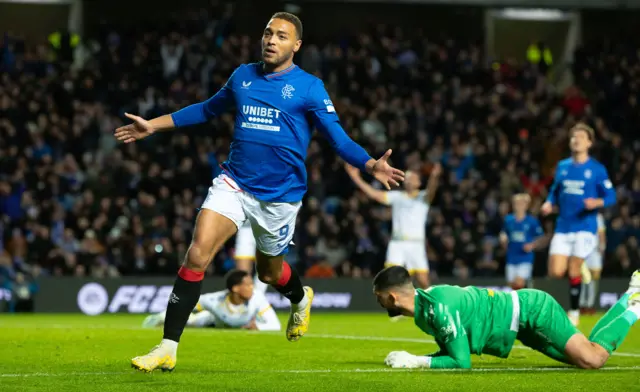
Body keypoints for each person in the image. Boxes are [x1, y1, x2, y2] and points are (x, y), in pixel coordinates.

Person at [116, 12, 404, 373]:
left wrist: (369, 164)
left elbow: (338, 138)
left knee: (269, 274)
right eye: (268, 33)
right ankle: (167, 347)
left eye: (281, 36)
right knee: (196, 255)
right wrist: (153, 126)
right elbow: (206, 109)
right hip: (234, 183)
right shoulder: (242, 75)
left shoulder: (310, 87)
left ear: (296, 45)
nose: (271, 40)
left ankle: (300, 299)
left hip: (280, 197)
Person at [374, 266, 640, 370]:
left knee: (592, 360)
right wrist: (419, 359)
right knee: (587, 358)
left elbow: (461, 362)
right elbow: (453, 350)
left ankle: (635, 306)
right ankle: (631, 295)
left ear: (393, 298)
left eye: (380, 297)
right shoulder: (425, 311)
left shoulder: (437, 307)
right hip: (520, 326)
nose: (379, 302)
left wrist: (415, 361)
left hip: (532, 311)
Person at [541, 123, 616, 326]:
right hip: (563, 227)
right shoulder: (563, 166)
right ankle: (580, 270)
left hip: (585, 227)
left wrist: (597, 202)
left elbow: (611, 196)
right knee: (555, 272)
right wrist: (549, 202)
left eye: (581, 137)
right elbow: (555, 190)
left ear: (589, 143)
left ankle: (574, 312)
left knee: (573, 268)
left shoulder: (597, 170)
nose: (576, 140)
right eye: (574, 136)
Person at [345, 163, 441, 319]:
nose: (408, 180)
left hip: (416, 244)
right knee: (390, 278)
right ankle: (395, 309)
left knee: (423, 280)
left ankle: (435, 307)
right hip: (397, 243)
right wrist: (356, 178)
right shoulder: (397, 197)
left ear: (418, 182)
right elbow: (375, 194)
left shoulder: (423, 198)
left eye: (412, 178)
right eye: (407, 178)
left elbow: (432, 191)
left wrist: (434, 176)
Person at [142, 269, 280, 332]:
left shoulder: (257, 298)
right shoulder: (215, 301)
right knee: (191, 321)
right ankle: (159, 318)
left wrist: (258, 327)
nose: (252, 288)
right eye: (248, 285)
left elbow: (275, 325)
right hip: (214, 321)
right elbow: (185, 303)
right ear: (236, 288)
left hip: (239, 324)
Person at [499, 193, 544, 290]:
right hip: (511, 257)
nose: (519, 206)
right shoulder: (508, 220)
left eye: (521, 203)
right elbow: (504, 233)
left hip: (525, 258)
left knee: (519, 283)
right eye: (516, 203)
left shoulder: (532, 221)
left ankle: (522, 303)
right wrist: (503, 239)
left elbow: (540, 237)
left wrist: (532, 245)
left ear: (526, 205)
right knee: (511, 285)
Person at [580, 212, 606, 314]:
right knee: (582, 277)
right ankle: (582, 304)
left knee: (594, 278)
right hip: (581, 250)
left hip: (594, 251)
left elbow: (601, 232)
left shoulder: (597, 216)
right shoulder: (580, 214)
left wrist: (602, 247)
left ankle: (590, 304)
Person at [234, 221, 268, 295]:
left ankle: (256, 300)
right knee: (242, 274)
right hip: (246, 226)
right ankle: (246, 301)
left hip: (271, 226)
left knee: (266, 270)